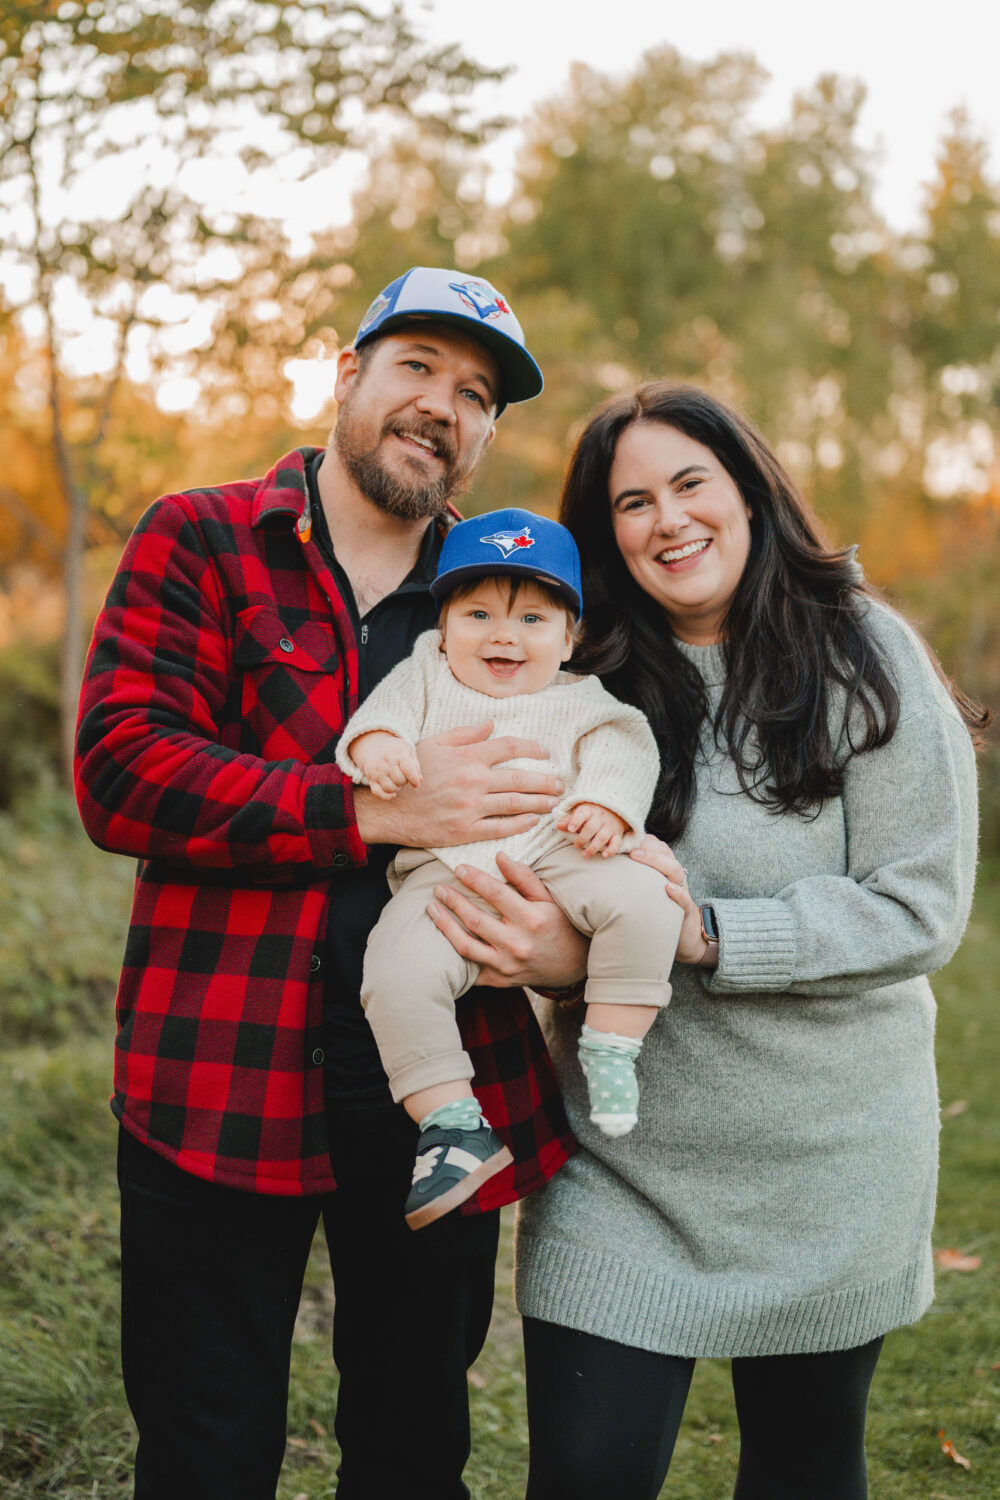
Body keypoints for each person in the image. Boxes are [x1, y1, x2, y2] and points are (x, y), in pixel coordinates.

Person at [73, 266, 584, 1500]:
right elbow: (123, 772)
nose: (442, 409)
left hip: (435, 1091)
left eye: (475, 395)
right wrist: (362, 807)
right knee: (204, 1451)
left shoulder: (495, 601)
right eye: (416, 368)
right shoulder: (198, 536)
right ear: (346, 376)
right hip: (216, 1067)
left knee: (413, 1451)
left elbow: (599, 754)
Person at [430, 381, 985, 1499]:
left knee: (802, 1467)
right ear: (603, 536)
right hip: (625, 1163)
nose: (667, 519)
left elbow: (919, 904)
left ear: (747, 489)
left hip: (832, 1162)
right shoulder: (575, 676)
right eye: (630, 503)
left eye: (690, 483)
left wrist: (710, 936)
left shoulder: (863, 652)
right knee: (585, 1473)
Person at [335, 508, 683, 1227]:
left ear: (568, 637)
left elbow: (626, 749)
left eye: (532, 619)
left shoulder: (582, 700)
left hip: (561, 846)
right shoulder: (423, 675)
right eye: (479, 613)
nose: (503, 634)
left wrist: (607, 806)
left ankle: (613, 1042)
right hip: (443, 870)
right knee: (393, 972)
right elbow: (376, 721)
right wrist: (378, 751)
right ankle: (452, 1121)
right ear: (444, 625)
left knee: (648, 900)